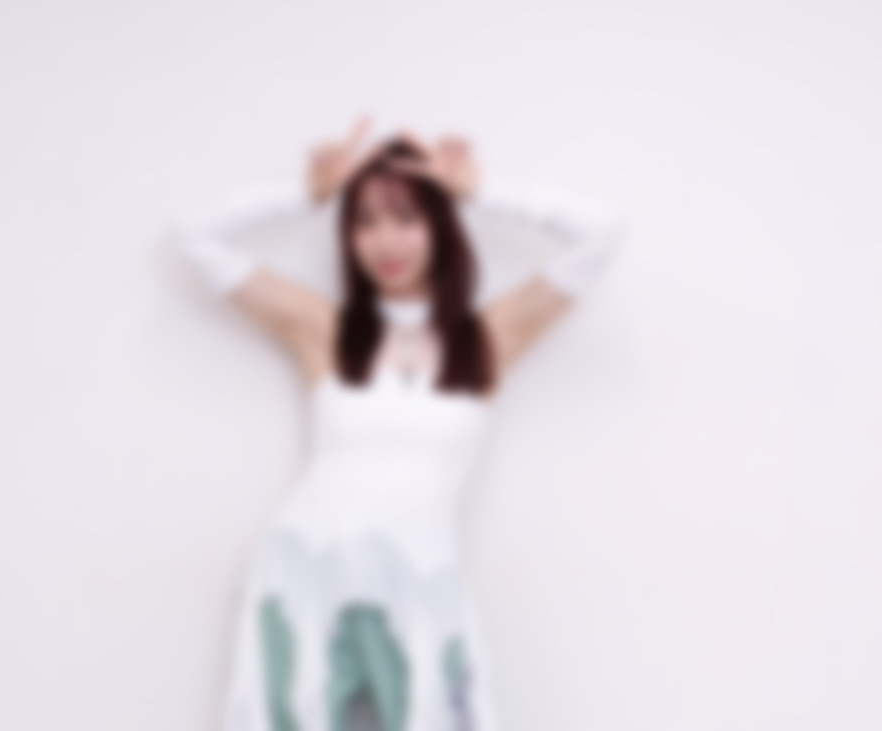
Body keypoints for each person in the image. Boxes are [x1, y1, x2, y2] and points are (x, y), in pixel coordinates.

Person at [170, 116, 628, 731]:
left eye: (406, 217)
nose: (386, 241)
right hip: (307, 573)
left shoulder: (488, 336)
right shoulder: (324, 328)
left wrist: (478, 190)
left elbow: (602, 233)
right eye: (365, 221)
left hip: (422, 589)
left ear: (439, 226)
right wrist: (305, 195)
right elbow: (196, 237)